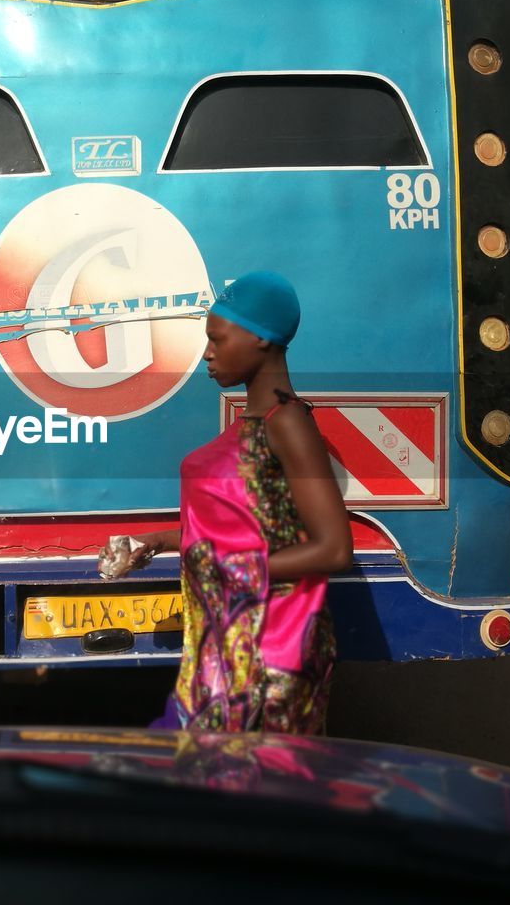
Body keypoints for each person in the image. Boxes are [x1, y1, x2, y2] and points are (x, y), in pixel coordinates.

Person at [106, 271, 352, 733]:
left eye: (217, 339)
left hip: (271, 654)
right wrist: (155, 541)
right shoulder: (255, 421)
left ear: (260, 339)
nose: (207, 353)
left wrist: (222, 566)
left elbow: (334, 548)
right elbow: (245, 534)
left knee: (246, 789)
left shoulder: (287, 422)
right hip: (230, 649)